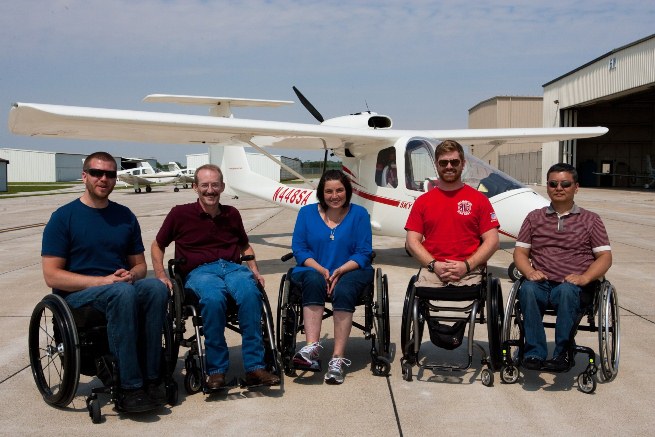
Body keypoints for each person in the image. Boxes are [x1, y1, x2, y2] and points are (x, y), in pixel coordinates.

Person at [41, 151, 169, 413]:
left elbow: (140, 265)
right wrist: (103, 282)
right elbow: (51, 275)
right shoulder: (63, 218)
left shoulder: (124, 216)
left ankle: (154, 377)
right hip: (77, 297)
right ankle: (129, 387)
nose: (104, 179)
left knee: (156, 287)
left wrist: (131, 275)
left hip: (119, 287)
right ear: (84, 176)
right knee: (121, 293)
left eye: (110, 174)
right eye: (97, 173)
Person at [151, 164, 280, 389]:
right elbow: (157, 245)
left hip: (232, 268)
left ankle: (255, 368)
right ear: (195, 187)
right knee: (212, 299)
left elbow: (244, 245)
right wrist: (161, 275)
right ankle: (216, 370)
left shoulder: (232, 214)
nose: (210, 190)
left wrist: (254, 270)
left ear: (222, 187)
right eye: (205, 185)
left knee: (251, 294)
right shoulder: (179, 214)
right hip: (199, 271)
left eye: (215, 185)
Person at [514, 163, 612, 372]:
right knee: (528, 289)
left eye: (565, 184)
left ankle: (562, 352)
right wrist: (529, 272)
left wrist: (585, 278)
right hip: (541, 283)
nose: (559, 188)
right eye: (553, 183)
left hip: (574, 286)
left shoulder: (591, 220)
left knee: (568, 290)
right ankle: (534, 352)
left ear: (576, 187)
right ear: (548, 186)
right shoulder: (534, 217)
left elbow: (604, 257)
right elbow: (520, 253)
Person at [291, 169, 373, 385]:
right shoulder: (306, 213)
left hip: (351, 269)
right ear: (321, 193)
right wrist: (321, 269)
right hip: (313, 268)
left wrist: (340, 270)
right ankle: (311, 350)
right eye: (329, 191)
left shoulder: (360, 214)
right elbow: (299, 249)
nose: (334, 195)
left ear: (347, 191)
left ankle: (337, 359)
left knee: (345, 289)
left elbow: (363, 252)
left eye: (339, 190)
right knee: (313, 280)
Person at [405, 140, 500, 287]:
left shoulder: (479, 200)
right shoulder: (422, 202)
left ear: (463, 164)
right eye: (443, 163)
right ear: (436, 165)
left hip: (470, 271)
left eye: (454, 162)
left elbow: (492, 241)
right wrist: (434, 265)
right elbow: (412, 242)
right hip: (433, 270)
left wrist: (466, 265)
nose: (449, 166)